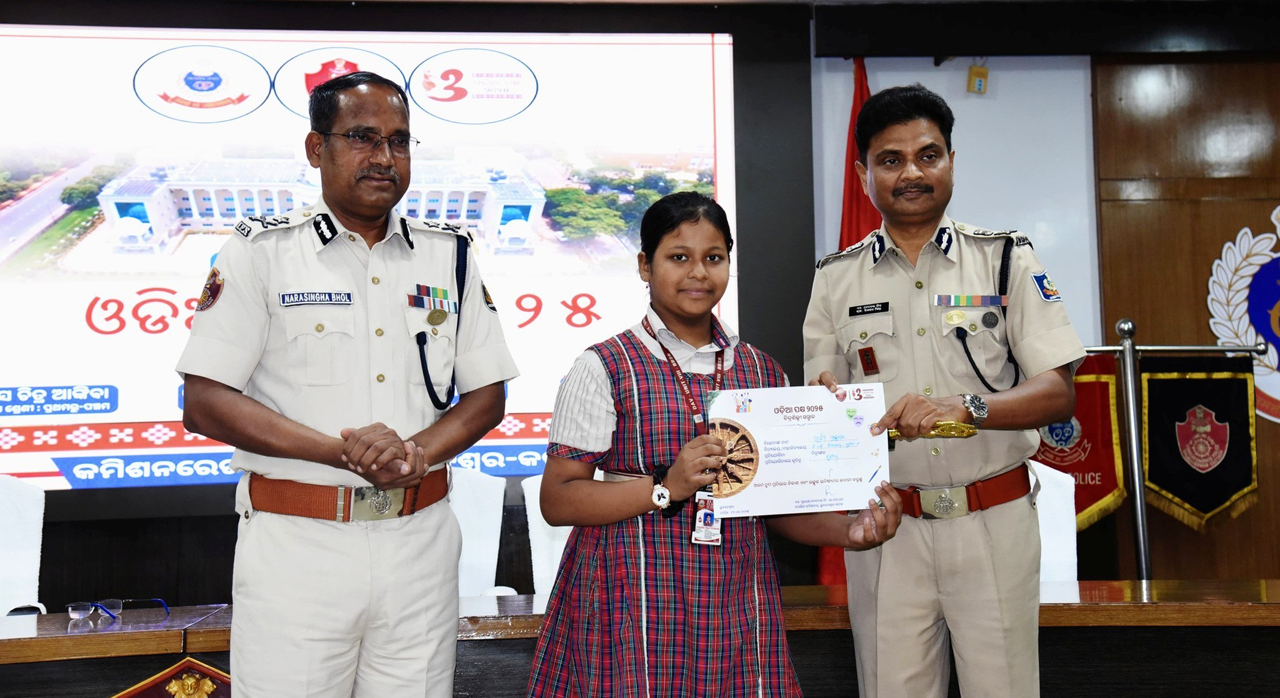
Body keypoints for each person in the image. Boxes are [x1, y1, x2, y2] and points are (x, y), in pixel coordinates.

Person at [177, 71, 519, 698]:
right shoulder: (262, 251)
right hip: (298, 547)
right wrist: (344, 454)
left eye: (399, 140)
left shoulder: (450, 255)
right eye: (363, 137)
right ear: (317, 149)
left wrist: (414, 454)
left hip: (420, 543)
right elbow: (204, 402)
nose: (384, 156)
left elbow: (486, 395)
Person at [528, 191, 902, 698]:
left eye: (714, 257)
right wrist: (666, 486)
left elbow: (776, 506)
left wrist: (849, 532)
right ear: (645, 265)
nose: (698, 273)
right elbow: (557, 499)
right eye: (678, 257)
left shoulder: (761, 370)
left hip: (736, 599)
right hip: (633, 594)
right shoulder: (605, 366)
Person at [803, 84, 1086, 698]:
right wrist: (824, 413)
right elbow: (823, 407)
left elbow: (1057, 392)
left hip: (994, 521)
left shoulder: (1005, 259)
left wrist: (967, 407)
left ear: (951, 162)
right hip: (887, 529)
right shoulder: (834, 280)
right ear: (864, 175)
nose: (912, 173)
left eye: (928, 156)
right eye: (891, 160)